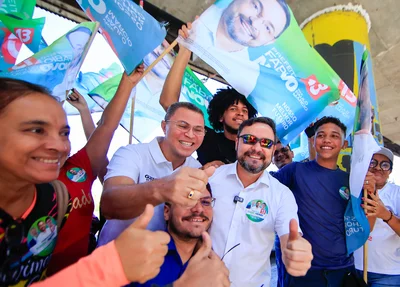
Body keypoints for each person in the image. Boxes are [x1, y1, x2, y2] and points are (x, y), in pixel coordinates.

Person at [47, 65, 146, 275]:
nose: (58, 144)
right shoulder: (12, 185)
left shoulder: (78, 168)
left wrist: (127, 83)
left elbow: (106, 127)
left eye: (64, 134)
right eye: (40, 132)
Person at [208, 117, 313, 287]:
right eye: (249, 140)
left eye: (266, 143)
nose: (257, 148)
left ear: (272, 151)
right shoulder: (211, 178)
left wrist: (294, 251)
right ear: (237, 143)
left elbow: (290, 238)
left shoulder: (281, 195)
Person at [273, 116, 376, 287]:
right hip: (304, 271)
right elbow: (263, 191)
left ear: (344, 145)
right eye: (321, 135)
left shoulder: (352, 181)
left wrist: (371, 191)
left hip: (342, 270)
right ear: (313, 141)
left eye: (334, 136)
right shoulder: (294, 171)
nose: (327, 140)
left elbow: (365, 225)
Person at [98, 102, 214, 245]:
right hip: (114, 259)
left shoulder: (197, 168)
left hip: (164, 263)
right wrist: (162, 189)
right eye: (183, 126)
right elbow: (109, 204)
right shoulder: (132, 154)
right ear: (164, 126)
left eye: (198, 130)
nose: (190, 135)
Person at [159, 23, 257, 166]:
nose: (240, 114)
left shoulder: (257, 147)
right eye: (233, 109)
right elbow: (168, 103)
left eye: (245, 110)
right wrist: (185, 51)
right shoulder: (206, 136)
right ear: (220, 117)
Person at [179, 0, 291, 96]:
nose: (255, 22)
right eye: (255, 6)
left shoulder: (248, 77)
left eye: (267, 28)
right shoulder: (199, 23)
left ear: (270, 42)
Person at [131, 185, 217, 287]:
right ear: (167, 212)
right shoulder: (140, 253)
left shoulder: (212, 267)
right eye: (188, 201)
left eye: (205, 202)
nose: (198, 209)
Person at [354, 147, 400, 286]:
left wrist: (385, 214)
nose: (378, 168)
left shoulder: (397, 194)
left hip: (387, 274)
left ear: (390, 171)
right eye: (373, 162)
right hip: (354, 268)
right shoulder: (354, 190)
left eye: (385, 165)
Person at [52, 26, 92, 101]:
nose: (75, 51)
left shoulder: (68, 79)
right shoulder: (47, 74)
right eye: (72, 46)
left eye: (80, 47)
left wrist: (84, 109)